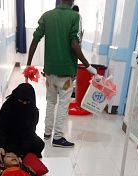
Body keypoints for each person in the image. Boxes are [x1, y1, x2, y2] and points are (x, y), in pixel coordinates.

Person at [26, 0, 96, 148]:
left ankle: (47, 132)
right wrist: (88, 66)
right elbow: (74, 43)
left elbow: (35, 40)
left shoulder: (47, 16)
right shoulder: (75, 17)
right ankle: (58, 137)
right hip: (66, 73)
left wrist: (28, 64)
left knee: (50, 102)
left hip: (50, 72)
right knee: (64, 104)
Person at [0, 83, 45, 159]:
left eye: (27, 102)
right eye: (21, 101)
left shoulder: (33, 111)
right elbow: (2, 130)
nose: (24, 104)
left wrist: (21, 154)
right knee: (2, 152)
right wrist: (0, 146)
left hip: (25, 139)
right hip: (9, 138)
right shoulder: (7, 107)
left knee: (39, 144)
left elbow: (29, 134)